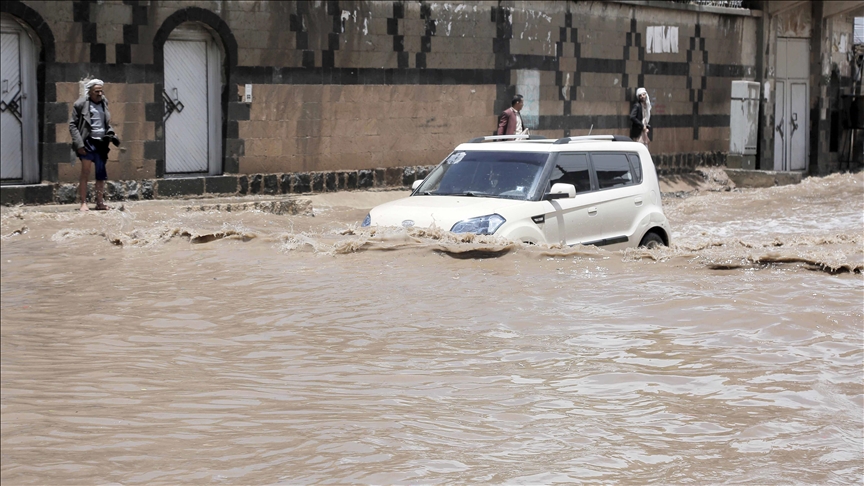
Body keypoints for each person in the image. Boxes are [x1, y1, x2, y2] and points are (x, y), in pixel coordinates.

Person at [69, 79, 119, 211]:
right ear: (90, 92)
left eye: (101, 91)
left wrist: (111, 133)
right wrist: (79, 144)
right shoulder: (80, 104)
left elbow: (106, 122)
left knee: (101, 174)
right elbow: (72, 125)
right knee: (85, 172)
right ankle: (83, 203)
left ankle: (100, 202)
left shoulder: (104, 102)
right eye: (97, 91)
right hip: (88, 142)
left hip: (102, 143)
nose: (100, 93)